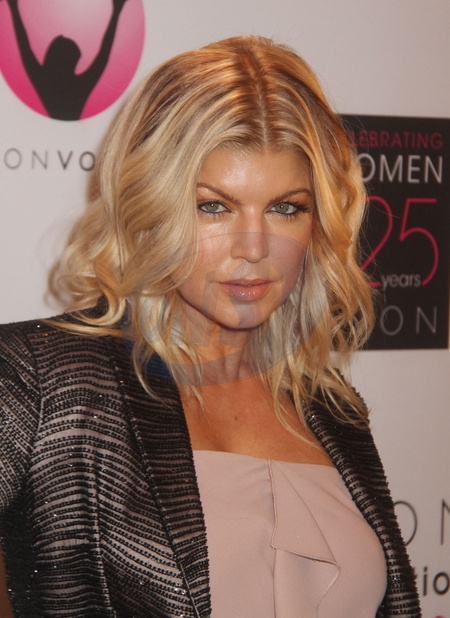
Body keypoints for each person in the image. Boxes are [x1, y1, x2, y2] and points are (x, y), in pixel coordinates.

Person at [0, 35, 420, 617]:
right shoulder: (39, 379)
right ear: (153, 205)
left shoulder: (333, 409)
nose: (254, 248)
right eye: (214, 206)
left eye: (286, 208)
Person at [2, 0, 129, 120]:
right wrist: (116, 12)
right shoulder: (81, 87)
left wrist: (14, 8)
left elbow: (24, 47)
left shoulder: (41, 80)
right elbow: (103, 55)